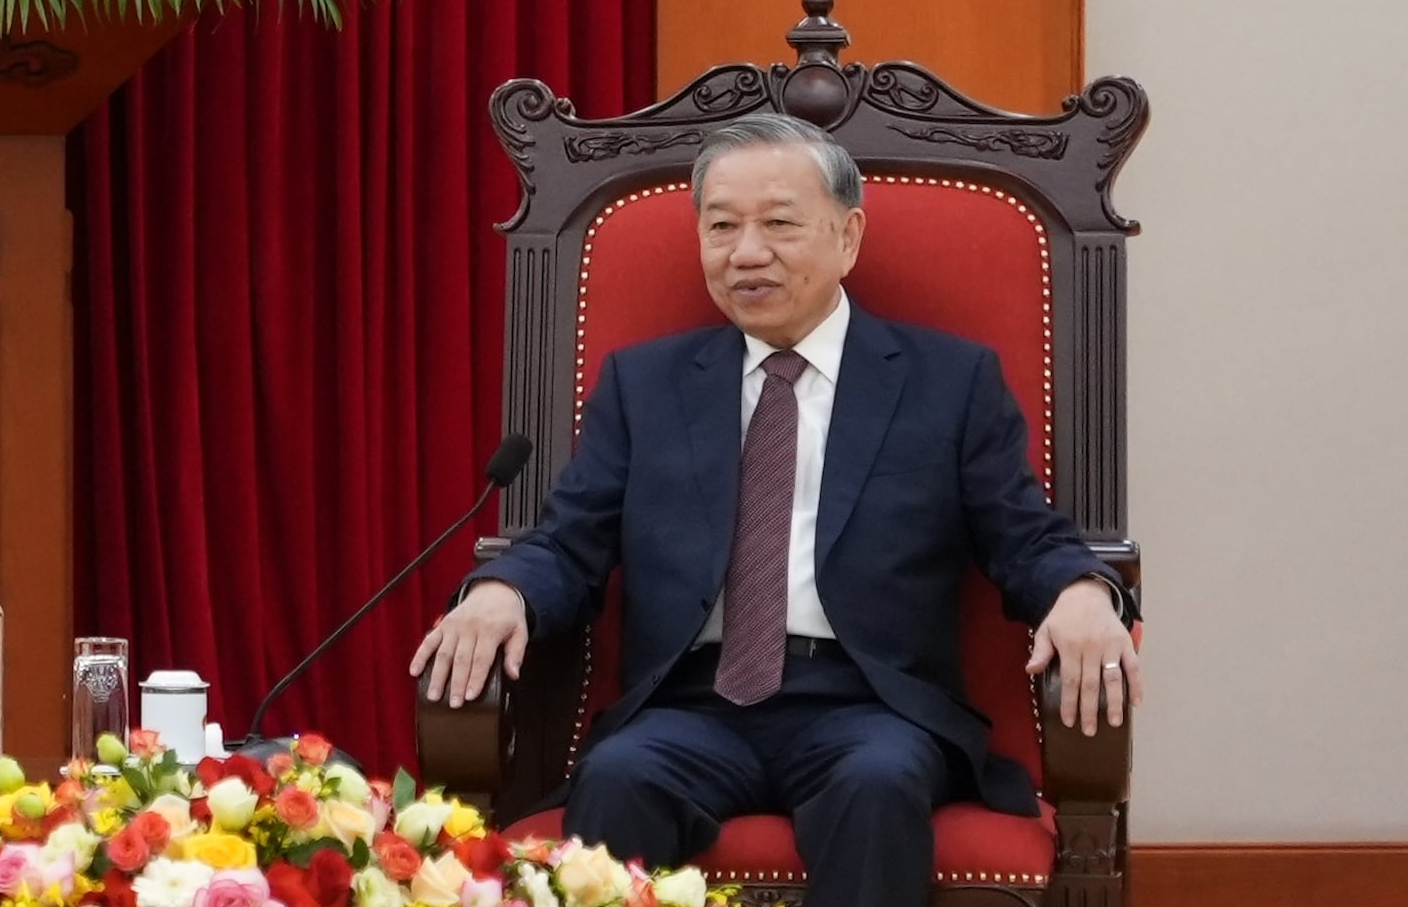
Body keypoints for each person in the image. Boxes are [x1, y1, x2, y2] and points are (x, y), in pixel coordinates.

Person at [409, 114, 1141, 907]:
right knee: (618, 782)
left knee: (877, 783)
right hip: (691, 705)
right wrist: (500, 592)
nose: (745, 251)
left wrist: (1081, 592)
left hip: (870, 706)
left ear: (848, 235)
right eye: (721, 226)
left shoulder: (947, 382)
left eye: (779, 224)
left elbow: (1021, 532)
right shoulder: (645, 385)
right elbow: (568, 540)